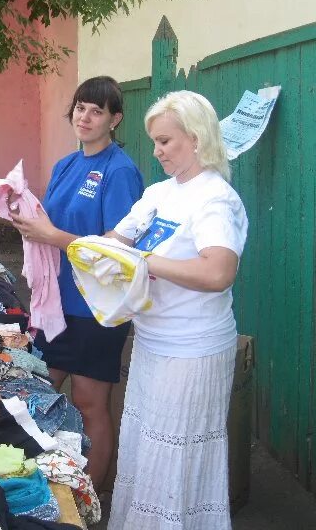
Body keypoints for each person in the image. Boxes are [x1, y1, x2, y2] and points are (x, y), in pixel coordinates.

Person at [106, 91, 248, 529]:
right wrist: (106, 249)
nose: (157, 151)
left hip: (193, 350)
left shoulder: (214, 199)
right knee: (147, 452)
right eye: (155, 141)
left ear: (198, 137)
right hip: (153, 341)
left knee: (177, 457)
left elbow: (218, 271)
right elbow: (119, 237)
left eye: (166, 141)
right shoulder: (159, 193)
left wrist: (143, 262)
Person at [8, 76, 144, 488]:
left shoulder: (120, 172)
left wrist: (53, 236)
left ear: (115, 119)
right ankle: (49, 486)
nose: (85, 117)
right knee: (36, 396)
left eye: (97, 111)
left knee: (89, 403)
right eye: (81, 107)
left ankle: (93, 496)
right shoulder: (67, 165)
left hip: (96, 307)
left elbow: (120, 248)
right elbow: (52, 226)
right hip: (55, 302)